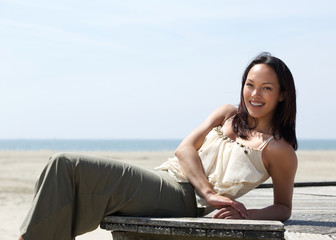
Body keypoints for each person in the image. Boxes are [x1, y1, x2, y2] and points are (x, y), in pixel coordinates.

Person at [18, 52, 298, 240]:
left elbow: (283, 208)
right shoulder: (227, 114)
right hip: (166, 178)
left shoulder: (278, 150)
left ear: (283, 94)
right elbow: (184, 149)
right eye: (250, 85)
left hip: (185, 199)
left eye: (266, 88)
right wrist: (210, 192)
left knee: (65, 165)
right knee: (59, 175)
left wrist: (245, 215)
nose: (254, 94)